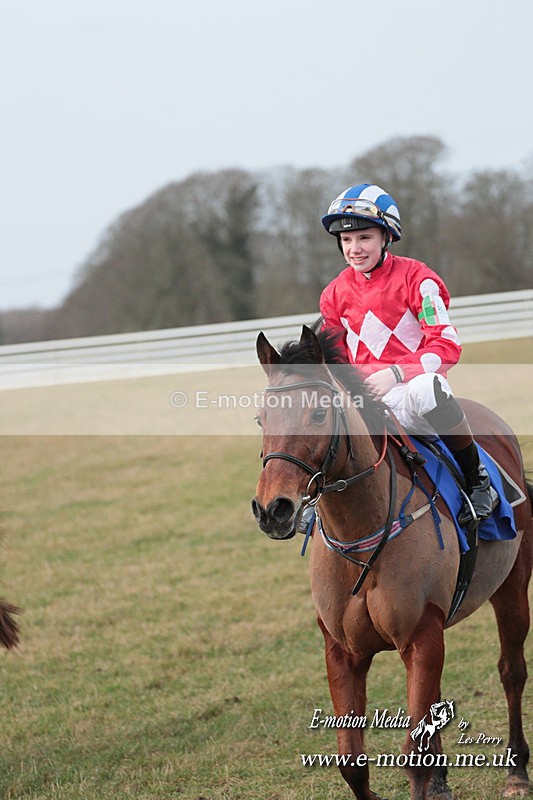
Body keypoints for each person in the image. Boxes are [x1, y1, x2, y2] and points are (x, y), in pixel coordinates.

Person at [317, 183, 495, 521]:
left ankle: (477, 480)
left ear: (387, 236)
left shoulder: (419, 279)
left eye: (364, 238)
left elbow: (446, 345)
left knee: (428, 388)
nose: (354, 248)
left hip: (412, 400)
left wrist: (396, 373)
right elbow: (337, 360)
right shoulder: (333, 294)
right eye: (346, 240)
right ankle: (315, 501)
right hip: (365, 406)